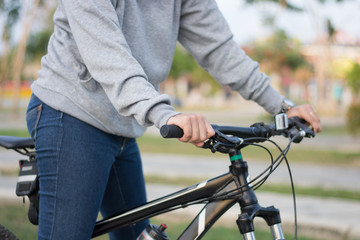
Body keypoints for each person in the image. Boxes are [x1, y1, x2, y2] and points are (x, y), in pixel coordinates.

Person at [26, 0, 321, 239]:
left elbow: (220, 49)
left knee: (140, 237)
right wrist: (166, 114)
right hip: (71, 114)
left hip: (123, 126)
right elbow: (108, 57)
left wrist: (282, 105)